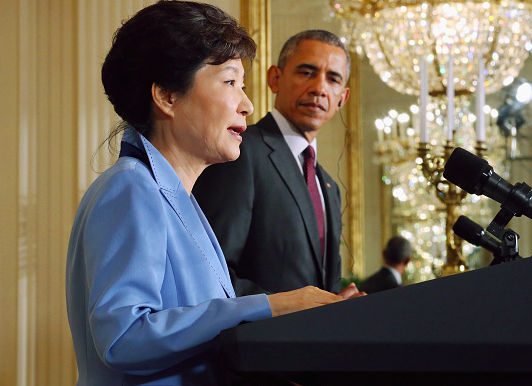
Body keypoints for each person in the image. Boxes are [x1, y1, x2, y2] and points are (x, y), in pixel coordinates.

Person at [65, 3, 343, 386]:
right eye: (230, 82)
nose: (246, 104)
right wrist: (271, 306)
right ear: (166, 96)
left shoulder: (181, 200)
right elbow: (122, 338)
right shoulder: (132, 186)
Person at [193, 30, 361, 299]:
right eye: (306, 72)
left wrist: (338, 304)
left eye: (333, 79)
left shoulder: (328, 185)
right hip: (254, 338)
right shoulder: (240, 152)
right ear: (275, 79)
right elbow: (210, 272)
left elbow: (321, 295)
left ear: (343, 97)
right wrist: (287, 310)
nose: (319, 88)